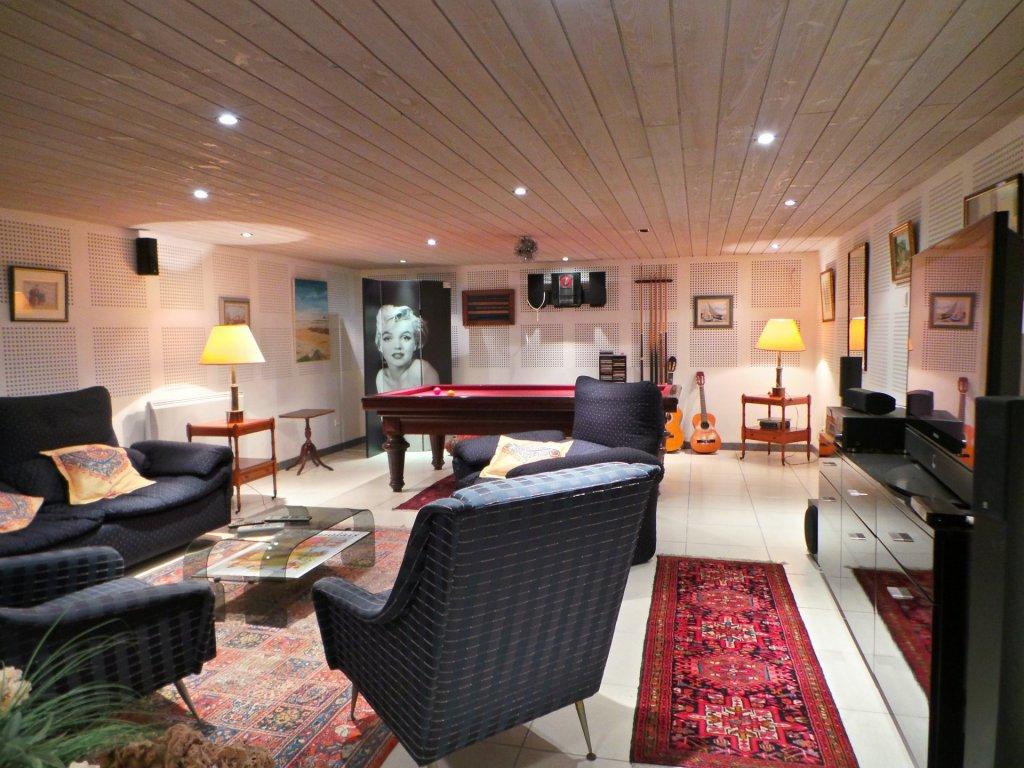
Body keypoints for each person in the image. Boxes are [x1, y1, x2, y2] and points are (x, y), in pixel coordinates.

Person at [374, 304, 440, 392]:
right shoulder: (381, 377)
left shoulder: (420, 370)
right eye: (388, 338)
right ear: (379, 345)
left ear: (416, 343)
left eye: (405, 337)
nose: (397, 346)